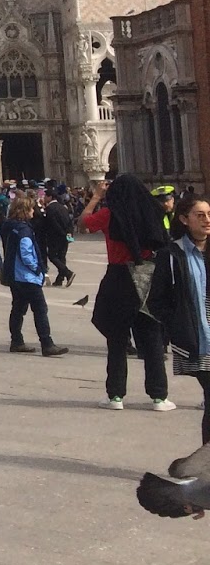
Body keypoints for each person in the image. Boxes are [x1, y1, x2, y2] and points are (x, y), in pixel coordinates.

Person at [83, 173, 173, 411]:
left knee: (117, 338)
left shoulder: (109, 214)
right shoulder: (153, 212)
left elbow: (83, 223)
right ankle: (159, 397)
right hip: (148, 277)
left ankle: (115, 396)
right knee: (152, 337)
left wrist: (95, 198)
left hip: (119, 278)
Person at [145, 195, 210, 443]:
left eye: (208, 214)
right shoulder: (172, 254)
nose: (206, 220)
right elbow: (155, 301)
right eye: (199, 215)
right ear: (184, 219)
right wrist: (177, 327)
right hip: (197, 336)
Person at [2, 195, 68, 357]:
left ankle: (16, 340)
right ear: (25, 211)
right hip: (27, 277)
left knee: (18, 308)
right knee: (40, 309)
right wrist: (38, 269)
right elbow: (26, 253)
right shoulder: (24, 229)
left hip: (14, 275)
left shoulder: (10, 226)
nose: (34, 211)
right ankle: (47, 343)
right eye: (31, 209)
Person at [38, 187, 76, 288]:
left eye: (45, 196)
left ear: (50, 197)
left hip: (56, 237)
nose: (44, 198)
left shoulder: (50, 208)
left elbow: (53, 224)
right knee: (61, 257)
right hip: (66, 236)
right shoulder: (62, 207)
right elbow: (69, 222)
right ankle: (60, 279)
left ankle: (68, 273)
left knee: (52, 256)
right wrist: (69, 236)